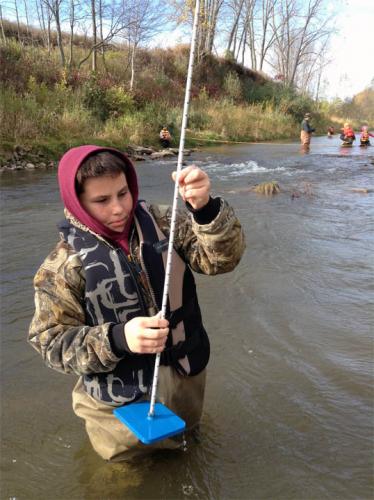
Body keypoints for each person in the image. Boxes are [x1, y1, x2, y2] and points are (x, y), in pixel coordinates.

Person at [28, 145, 245, 462]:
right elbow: (49, 343)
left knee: (188, 452)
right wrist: (118, 338)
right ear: (77, 203)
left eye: (123, 193)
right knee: (124, 476)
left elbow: (221, 261)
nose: (118, 208)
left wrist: (205, 210)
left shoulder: (165, 221)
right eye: (101, 200)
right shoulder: (61, 266)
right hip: (116, 408)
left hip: (185, 378)